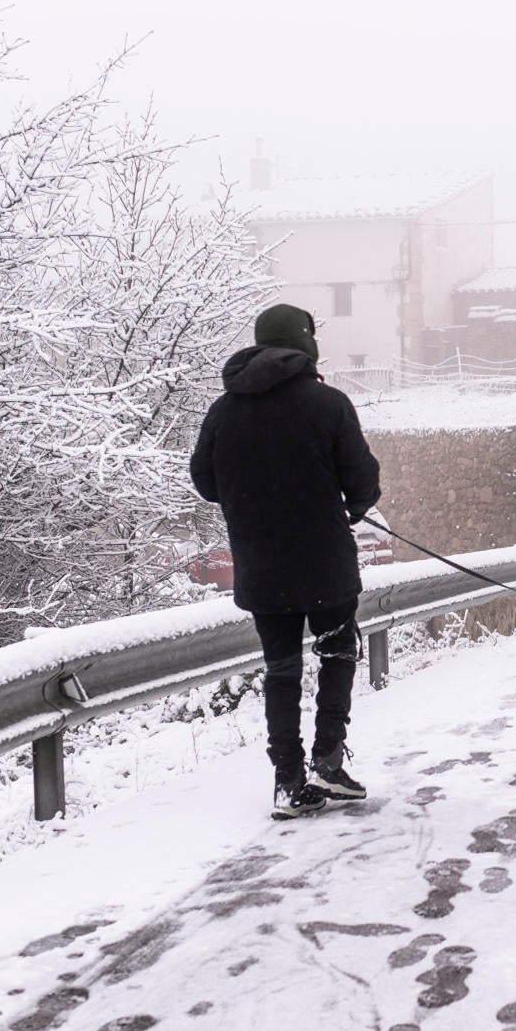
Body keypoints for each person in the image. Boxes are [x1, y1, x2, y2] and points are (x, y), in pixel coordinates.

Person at [190, 303, 382, 819]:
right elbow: (362, 481)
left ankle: (288, 782)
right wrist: (350, 504)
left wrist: (251, 498)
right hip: (323, 561)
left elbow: (205, 483)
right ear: (305, 345)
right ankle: (327, 762)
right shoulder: (328, 404)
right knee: (338, 652)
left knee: (281, 669)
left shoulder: (223, 411)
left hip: (261, 564)